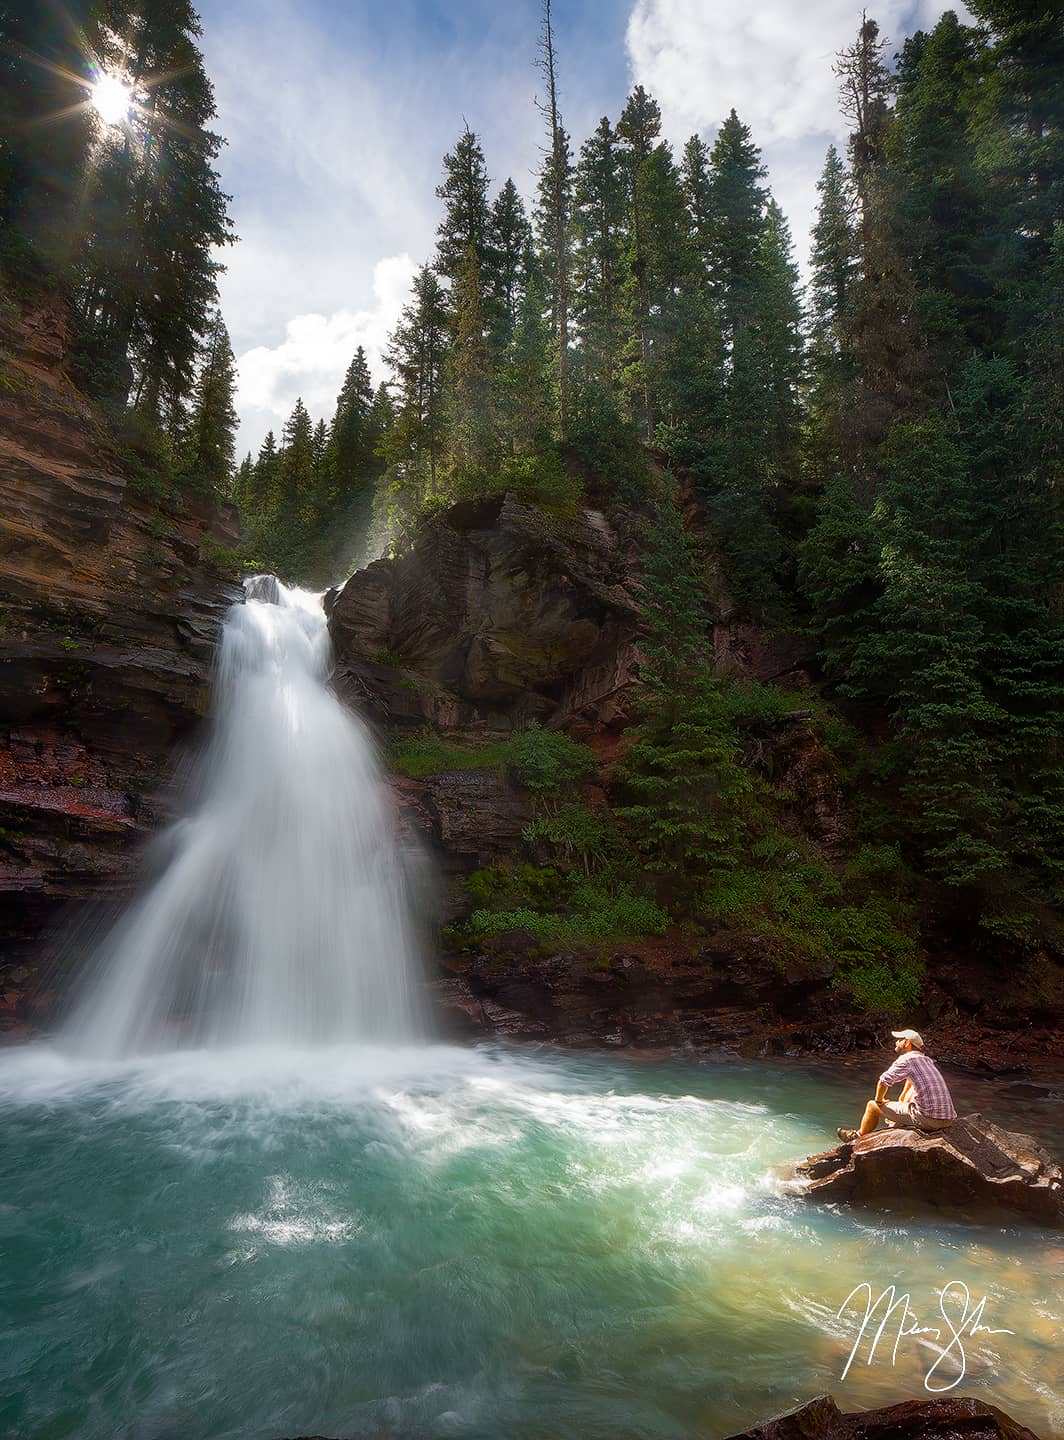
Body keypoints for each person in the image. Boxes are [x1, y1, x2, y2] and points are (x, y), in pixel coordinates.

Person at [836, 1029, 956, 1142]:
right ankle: (896, 1122)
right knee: (904, 1104)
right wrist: (899, 1105)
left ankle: (856, 1137)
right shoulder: (926, 1060)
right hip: (947, 1119)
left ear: (907, 1043)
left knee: (872, 1106)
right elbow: (911, 1085)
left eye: (899, 1039)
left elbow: (883, 1081)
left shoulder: (907, 1059)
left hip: (929, 1119)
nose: (896, 1042)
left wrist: (879, 1101)